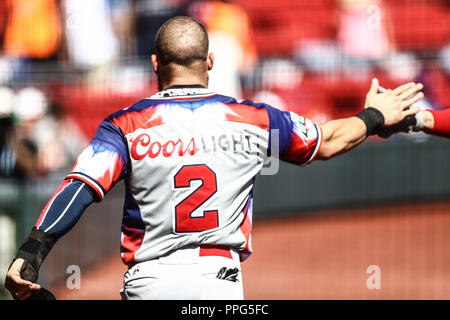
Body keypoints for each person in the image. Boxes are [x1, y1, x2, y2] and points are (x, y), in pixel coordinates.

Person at [4, 16, 424, 300]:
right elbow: (328, 141)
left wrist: (33, 251)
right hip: (219, 284)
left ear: (155, 63)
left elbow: (79, 187)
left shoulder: (125, 126)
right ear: (209, 61)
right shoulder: (253, 117)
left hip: (150, 281)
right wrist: (373, 117)